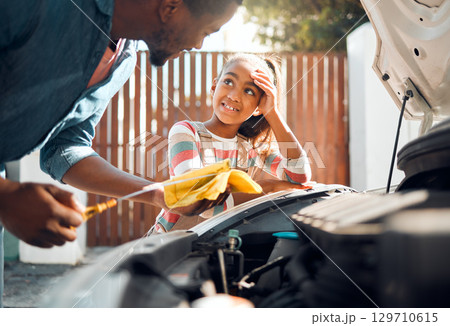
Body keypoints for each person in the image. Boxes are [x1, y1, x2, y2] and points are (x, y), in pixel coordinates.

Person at [0, 0, 242, 307]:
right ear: (171, 6)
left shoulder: (124, 61)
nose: (198, 44)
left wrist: (158, 193)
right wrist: (5, 195)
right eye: (207, 30)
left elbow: (65, 147)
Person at [153, 53, 312, 232]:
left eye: (249, 91)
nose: (234, 96)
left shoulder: (251, 148)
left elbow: (298, 177)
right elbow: (198, 198)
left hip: (222, 244)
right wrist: (269, 187)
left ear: (259, 106)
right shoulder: (186, 132)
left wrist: (272, 112)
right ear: (214, 86)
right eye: (228, 82)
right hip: (169, 245)